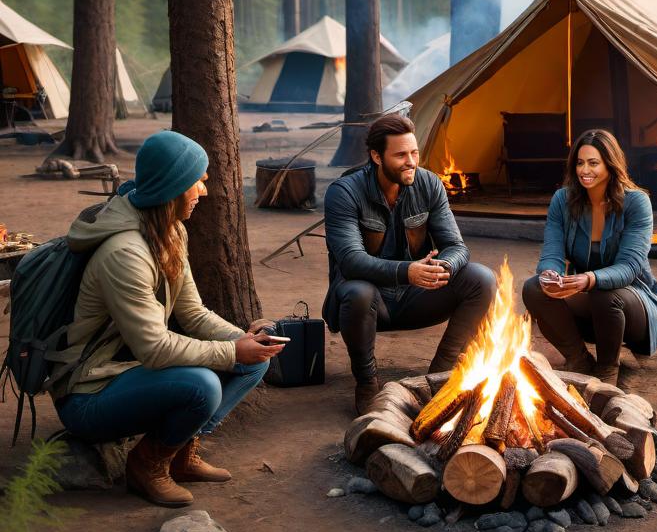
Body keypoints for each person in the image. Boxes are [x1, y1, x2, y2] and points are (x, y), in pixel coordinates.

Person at [53, 131, 285, 508]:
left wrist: (243, 339)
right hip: (88, 394)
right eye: (199, 182)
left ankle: (180, 451)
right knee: (203, 384)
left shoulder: (170, 230)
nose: (204, 193)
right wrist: (231, 351)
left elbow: (192, 313)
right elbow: (155, 349)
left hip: (128, 372)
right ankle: (147, 465)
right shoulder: (124, 254)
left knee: (254, 362)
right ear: (174, 185)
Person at [323, 113, 497, 414]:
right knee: (358, 291)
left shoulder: (429, 184)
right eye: (401, 155)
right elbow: (351, 262)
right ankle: (366, 383)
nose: (411, 161)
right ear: (377, 156)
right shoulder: (344, 192)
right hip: (371, 303)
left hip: (416, 297)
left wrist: (441, 267)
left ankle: (441, 373)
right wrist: (408, 271)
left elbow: (456, 247)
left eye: (414, 152)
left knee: (482, 278)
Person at [522, 129, 657, 386]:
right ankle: (579, 361)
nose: (584, 170)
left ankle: (606, 371)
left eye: (593, 163)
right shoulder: (563, 200)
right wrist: (550, 274)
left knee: (605, 292)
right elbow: (552, 253)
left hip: (634, 306)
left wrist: (590, 279)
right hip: (589, 304)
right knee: (534, 288)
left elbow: (631, 266)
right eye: (580, 163)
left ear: (610, 165)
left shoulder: (637, 202)